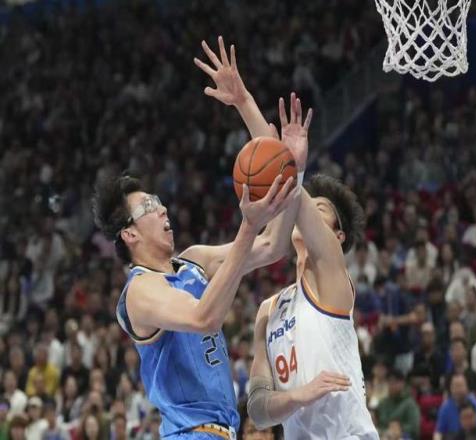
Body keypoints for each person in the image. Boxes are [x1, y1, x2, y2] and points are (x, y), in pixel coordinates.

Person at [92, 37, 347, 440]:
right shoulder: (139, 292)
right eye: (149, 207)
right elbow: (203, 318)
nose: (163, 209)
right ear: (129, 233)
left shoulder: (194, 261)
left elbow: (273, 245)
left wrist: (286, 163)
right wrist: (247, 226)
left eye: (159, 200)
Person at [196, 37, 376, 439]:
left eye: (320, 210)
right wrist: (299, 396)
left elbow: (286, 181)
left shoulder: (332, 277)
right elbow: (259, 411)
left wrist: (249, 109)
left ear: (337, 234)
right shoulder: (268, 310)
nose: (308, 211)